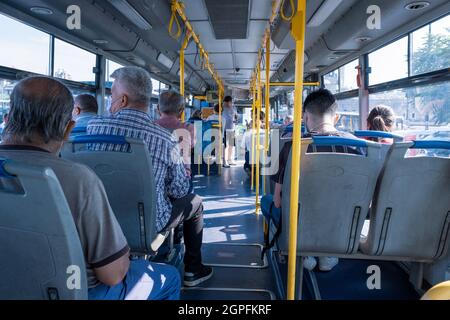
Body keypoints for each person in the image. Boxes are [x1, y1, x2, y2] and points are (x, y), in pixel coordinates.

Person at [0, 76, 180, 300]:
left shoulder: (94, 130)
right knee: (170, 277)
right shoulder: (79, 179)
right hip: (75, 291)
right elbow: (113, 275)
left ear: (7, 119)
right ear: (67, 130)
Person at [87, 66, 213, 287]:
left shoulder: (93, 128)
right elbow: (179, 190)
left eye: (112, 97)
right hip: (147, 224)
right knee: (195, 202)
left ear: (123, 100)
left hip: (97, 223)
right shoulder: (166, 139)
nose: (110, 102)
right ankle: (193, 269)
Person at [261, 89, 362, 272]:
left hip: (302, 221)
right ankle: (328, 254)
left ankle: (303, 251)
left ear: (306, 117)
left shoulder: (293, 147)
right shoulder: (357, 146)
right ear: (336, 117)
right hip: (340, 222)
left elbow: (277, 200)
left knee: (267, 201)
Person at [155, 90, 195, 177]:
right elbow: (191, 146)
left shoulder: (150, 127)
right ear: (181, 111)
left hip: (155, 175)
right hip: (181, 177)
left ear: (158, 109)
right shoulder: (189, 128)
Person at [241, 111, 266, 176]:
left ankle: (248, 167)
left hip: (250, 157)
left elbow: (243, 146)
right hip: (262, 157)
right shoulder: (265, 133)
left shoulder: (247, 133)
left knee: (247, 151)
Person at [222, 96, 238, 167]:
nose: (230, 103)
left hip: (231, 129)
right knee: (224, 146)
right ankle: (224, 160)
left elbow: (236, 116)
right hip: (224, 129)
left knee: (231, 145)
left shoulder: (233, 108)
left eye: (231, 102)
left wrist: (235, 120)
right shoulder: (221, 108)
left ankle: (229, 159)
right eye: (229, 102)